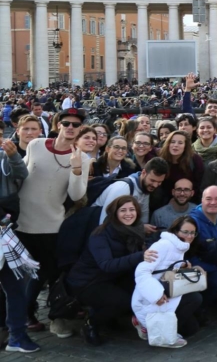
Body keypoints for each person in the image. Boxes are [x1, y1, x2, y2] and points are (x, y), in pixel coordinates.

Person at [16, 107, 90, 336]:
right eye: (66, 123)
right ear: (58, 124)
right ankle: (14, 320)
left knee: (42, 275)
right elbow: (23, 174)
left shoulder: (83, 158)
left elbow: (77, 195)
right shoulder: (36, 145)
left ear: (79, 130)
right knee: (15, 276)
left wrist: (77, 167)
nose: (70, 128)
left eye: (75, 125)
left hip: (50, 225)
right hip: (20, 221)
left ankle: (29, 315)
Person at [67, 196, 156, 345]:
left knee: (141, 290)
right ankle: (91, 323)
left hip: (111, 277)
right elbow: (106, 265)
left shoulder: (135, 230)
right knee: (123, 301)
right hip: (87, 282)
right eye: (123, 210)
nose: (128, 214)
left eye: (132, 209)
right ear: (114, 213)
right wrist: (140, 256)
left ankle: (110, 317)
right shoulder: (100, 234)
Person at [131, 215, 206, 348]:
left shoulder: (180, 246)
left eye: (193, 233)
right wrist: (156, 294)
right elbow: (141, 271)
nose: (190, 236)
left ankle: (149, 325)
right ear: (176, 231)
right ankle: (147, 326)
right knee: (195, 298)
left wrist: (181, 266)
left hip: (166, 289)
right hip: (149, 296)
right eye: (186, 232)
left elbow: (165, 268)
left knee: (192, 329)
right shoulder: (163, 245)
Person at [0, 136, 37, 353]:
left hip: (5, 232)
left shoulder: (5, 156)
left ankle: (17, 336)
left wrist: (14, 156)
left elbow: (23, 175)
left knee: (15, 285)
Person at [188, 187, 217, 310]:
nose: (213, 202)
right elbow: (188, 258)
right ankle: (198, 308)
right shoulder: (192, 223)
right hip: (191, 270)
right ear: (202, 200)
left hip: (211, 266)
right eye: (208, 199)